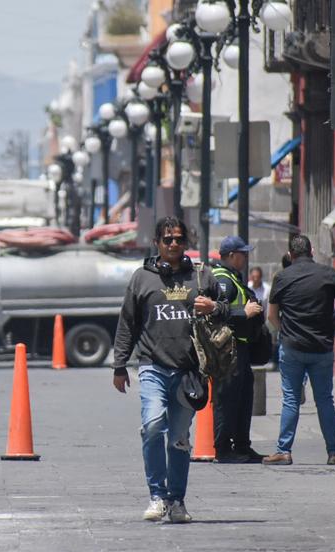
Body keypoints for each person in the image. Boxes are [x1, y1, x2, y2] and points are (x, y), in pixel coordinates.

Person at [112, 216, 228, 523]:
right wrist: (119, 365)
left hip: (189, 372)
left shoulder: (202, 277)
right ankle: (156, 495)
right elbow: (127, 324)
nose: (173, 244)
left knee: (179, 438)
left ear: (186, 243)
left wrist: (214, 308)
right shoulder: (141, 278)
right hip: (152, 366)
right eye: (167, 239)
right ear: (157, 244)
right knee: (152, 426)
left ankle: (176, 501)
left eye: (178, 239)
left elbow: (229, 311)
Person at [264, 234, 335, 466]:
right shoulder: (329, 274)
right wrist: (333, 332)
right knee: (325, 400)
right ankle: (333, 451)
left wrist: (284, 333)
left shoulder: (282, 277)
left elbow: (271, 315)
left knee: (290, 399)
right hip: (322, 346)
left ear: (290, 255)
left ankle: (284, 450)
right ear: (311, 252)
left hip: (292, 347)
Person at [212, 237, 266, 463]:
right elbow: (214, 310)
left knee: (244, 398)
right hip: (228, 350)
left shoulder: (234, 277)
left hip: (241, 348)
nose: (246, 258)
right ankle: (224, 449)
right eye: (243, 254)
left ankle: (242, 446)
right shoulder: (222, 280)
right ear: (232, 255)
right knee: (228, 399)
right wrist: (244, 312)